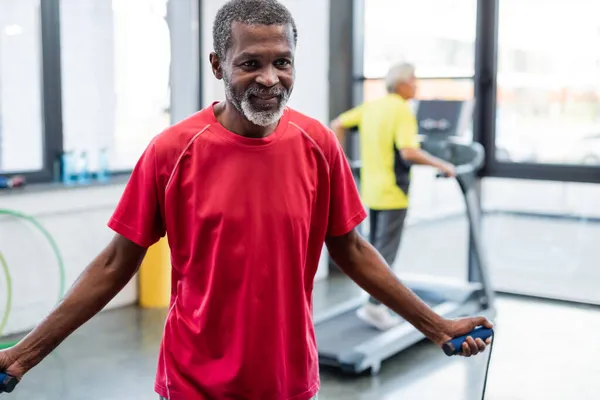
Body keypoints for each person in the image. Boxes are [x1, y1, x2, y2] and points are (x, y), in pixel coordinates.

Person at [0, 1, 492, 399]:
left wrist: (435, 325)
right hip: (194, 383)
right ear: (218, 64)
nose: (269, 78)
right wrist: (23, 356)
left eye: (282, 62)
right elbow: (114, 265)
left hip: (288, 380)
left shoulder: (318, 144)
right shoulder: (172, 151)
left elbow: (354, 250)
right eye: (249, 63)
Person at [331, 63, 459, 331]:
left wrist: (340, 162)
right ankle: (375, 307)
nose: (416, 84)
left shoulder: (373, 107)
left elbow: (337, 124)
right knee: (385, 253)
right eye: (413, 79)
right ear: (400, 83)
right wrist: (442, 165)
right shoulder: (402, 110)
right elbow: (408, 152)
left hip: (371, 190)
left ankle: (373, 303)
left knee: (375, 249)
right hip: (393, 193)